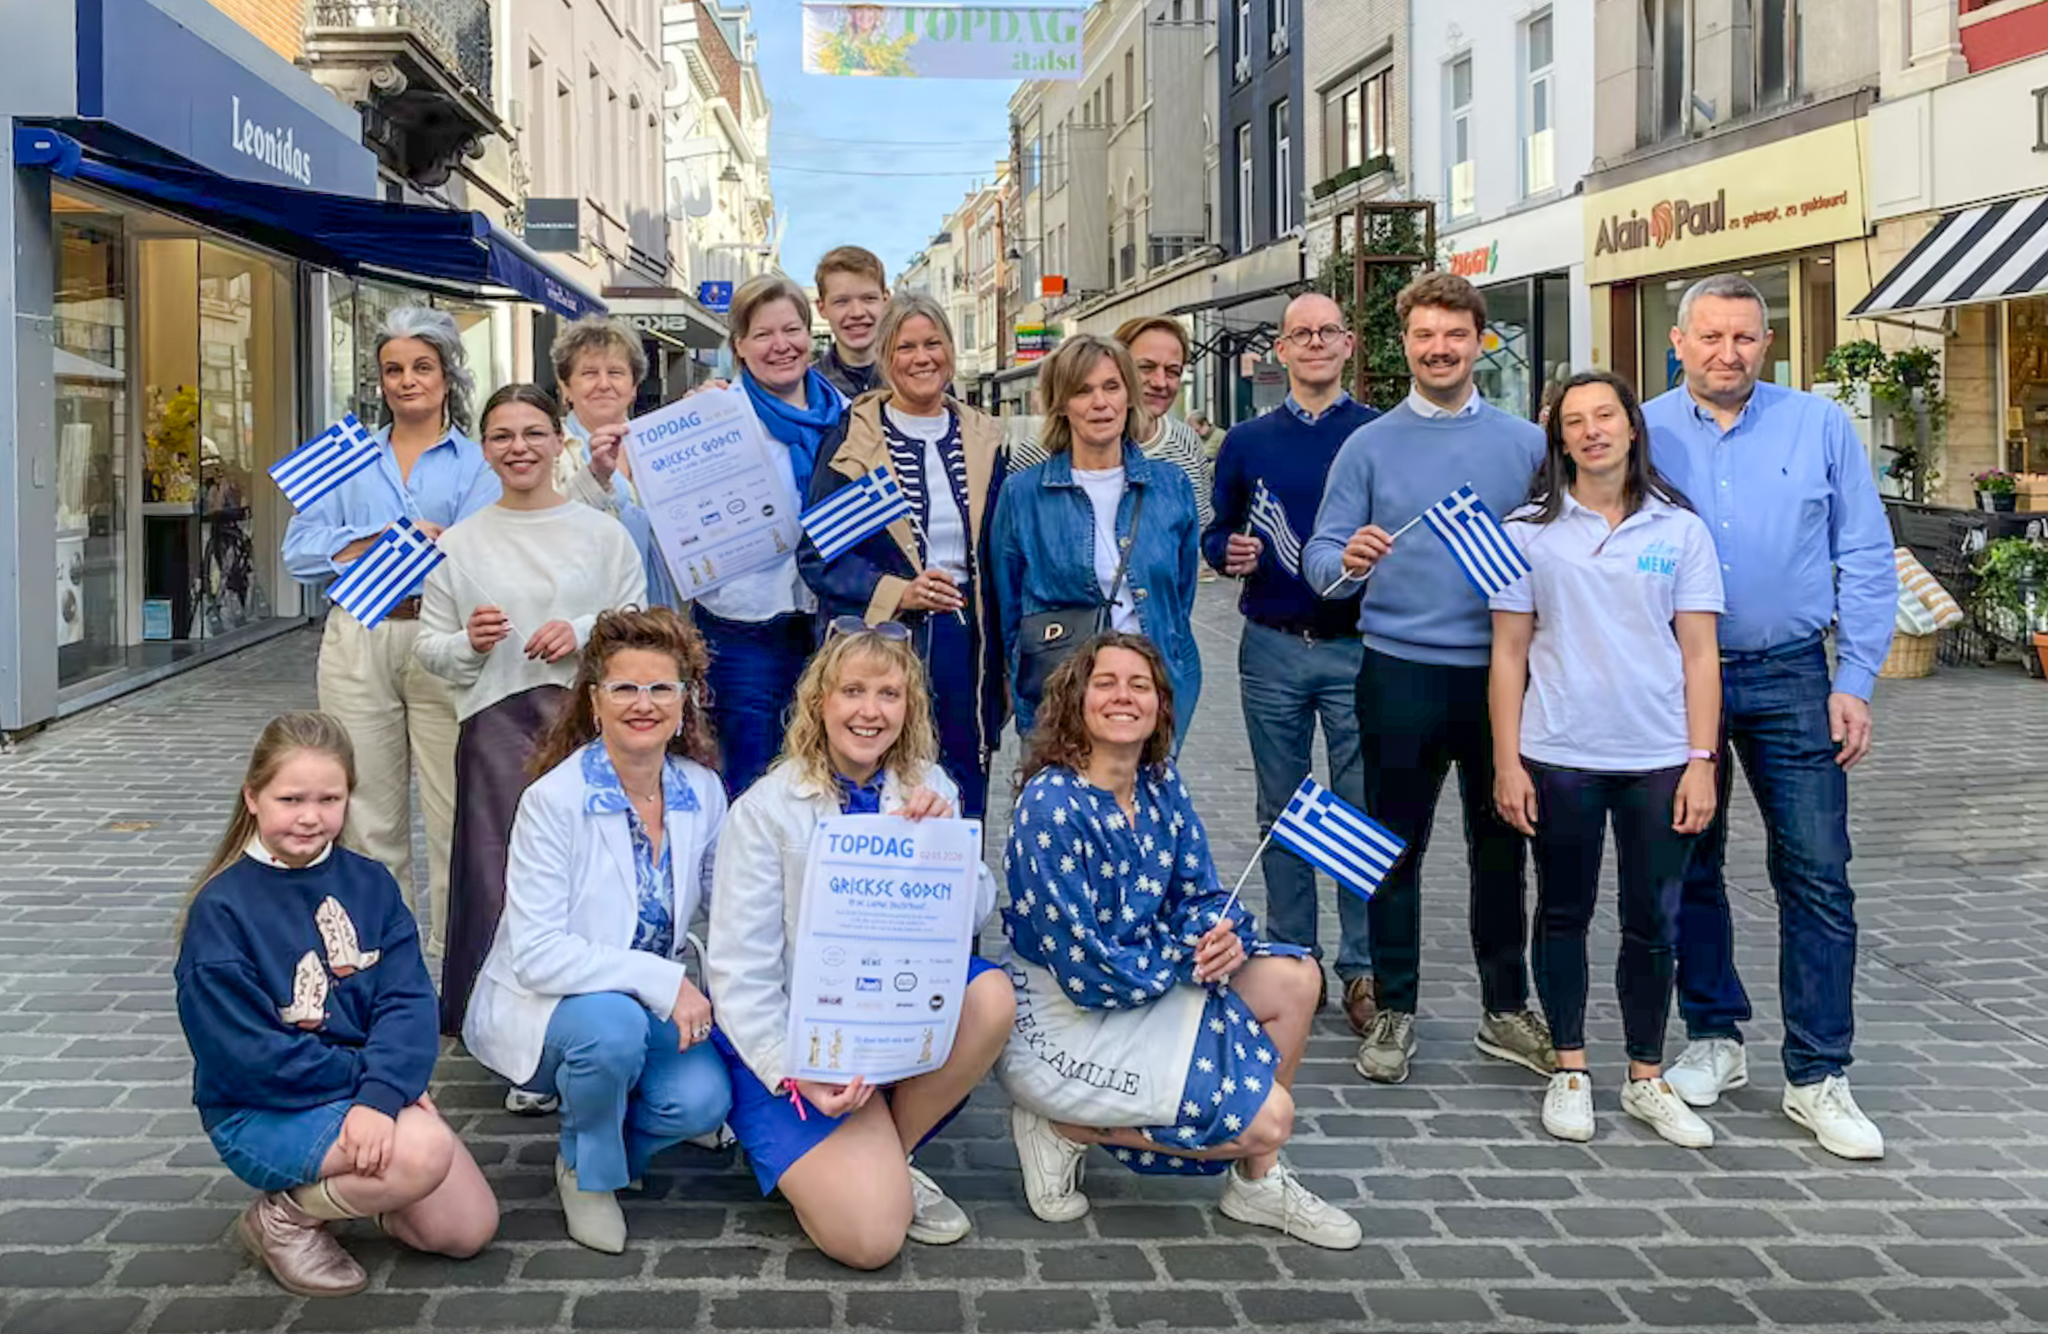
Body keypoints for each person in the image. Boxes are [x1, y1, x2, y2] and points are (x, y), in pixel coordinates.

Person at [995, 634, 1360, 1249]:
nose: (1123, 696)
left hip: (1152, 978)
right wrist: (1191, 954)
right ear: (1076, 700)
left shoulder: (1161, 783)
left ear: (1161, 706)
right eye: (1105, 683)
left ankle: (1257, 1183)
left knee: (1298, 978)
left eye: (1139, 685)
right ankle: (1065, 1127)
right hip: (1069, 1014)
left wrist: (1226, 937)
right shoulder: (1051, 804)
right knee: (1271, 1118)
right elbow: (1090, 971)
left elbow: (1202, 895)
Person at [1643, 274, 1896, 1160]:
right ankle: (1714, 1036)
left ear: (1767, 343)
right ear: (1678, 342)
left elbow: (1865, 551)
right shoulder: (1642, 431)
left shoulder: (1819, 426)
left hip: (1794, 675)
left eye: (1745, 337)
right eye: (1710, 337)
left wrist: (1854, 678)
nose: (1728, 353)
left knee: (1818, 872)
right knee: (1688, 863)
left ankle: (1819, 1073)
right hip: (1677, 681)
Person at [1301, 271, 1552, 1087]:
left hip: (1500, 677)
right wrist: (1347, 557)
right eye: (1424, 336)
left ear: (1481, 341)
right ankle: (1395, 1006)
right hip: (1398, 668)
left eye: (1454, 335)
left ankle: (1505, 1007)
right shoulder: (1369, 445)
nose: (1439, 349)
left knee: (1503, 845)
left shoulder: (1526, 444)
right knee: (1389, 848)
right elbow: (1319, 558)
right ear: (1403, 344)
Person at [705, 624, 1013, 1269]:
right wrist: (794, 1070)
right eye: (852, 691)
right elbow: (739, 970)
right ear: (820, 701)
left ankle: (892, 1152)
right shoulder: (765, 809)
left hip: (886, 1021)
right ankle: (859, 1162)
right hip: (797, 1037)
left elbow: (974, 914)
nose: (870, 711)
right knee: (869, 1241)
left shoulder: (930, 785)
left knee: (990, 995)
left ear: (909, 708)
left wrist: (945, 849)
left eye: (889, 694)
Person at [174, 713, 498, 1298]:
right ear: (252, 798)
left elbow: (407, 1003)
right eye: (290, 798)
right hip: (263, 1106)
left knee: (464, 1229)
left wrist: (380, 1093)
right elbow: (246, 1056)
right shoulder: (221, 912)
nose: (310, 816)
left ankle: (362, 1185)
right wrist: (377, 1092)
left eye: (329, 799)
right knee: (424, 1151)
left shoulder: (370, 883)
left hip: (359, 1089)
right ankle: (286, 1218)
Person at [1489, 371, 1725, 1147]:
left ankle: (1646, 1075)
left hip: (1658, 754)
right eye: (1575, 421)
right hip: (1559, 751)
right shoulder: (1524, 532)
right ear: (1558, 439)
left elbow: (1700, 654)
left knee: (1652, 920)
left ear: (1632, 426)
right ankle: (1569, 1068)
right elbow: (1508, 653)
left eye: (1605, 416)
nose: (1592, 431)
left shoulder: (1680, 530)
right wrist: (1507, 762)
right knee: (1563, 911)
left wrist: (1701, 760)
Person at [463, 609, 734, 1253]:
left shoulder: (702, 790)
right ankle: (587, 1170)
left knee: (701, 1103)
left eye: (661, 688)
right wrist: (665, 981)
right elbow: (537, 955)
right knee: (610, 1029)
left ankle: (615, 1131)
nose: (643, 704)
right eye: (624, 688)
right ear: (594, 700)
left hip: (651, 1002)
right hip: (560, 1005)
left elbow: (730, 908)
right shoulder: (553, 801)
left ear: (686, 700)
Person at [415, 384, 647, 1041]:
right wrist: (470, 642)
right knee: (498, 872)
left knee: (590, 870)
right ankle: (500, 1024)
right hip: (495, 727)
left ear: (558, 441)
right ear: (485, 450)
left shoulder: (602, 534)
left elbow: (637, 620)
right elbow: (430, 647)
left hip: (589, 723)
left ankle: (593, 1011)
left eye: (533, 433)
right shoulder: (460, 544)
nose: (518, 448)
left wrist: (581, 631)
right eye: (502, 437)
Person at [281, 307, 498, 957]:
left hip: (443, 634)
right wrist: (377, 539)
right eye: (393, 369)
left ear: (448, 375)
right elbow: (298, 552)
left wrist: (439, 545)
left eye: (422, 367)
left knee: (455, 807)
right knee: (366, 812)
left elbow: (483, 554)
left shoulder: (479, 461)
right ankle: (386, 961)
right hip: (360, 632)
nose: (407, 381)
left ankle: (458, 959)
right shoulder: (342, 455)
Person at [1203, 293, 1381, 1030]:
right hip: (1273, 644)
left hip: (1357, 645)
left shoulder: (1375, 433)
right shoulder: (1247, 441)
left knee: (1358, 810)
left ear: (1348, 344)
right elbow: (1217, 531)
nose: (1314, 343)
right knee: (1282, 808)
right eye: (1300, 333)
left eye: (1327, 331)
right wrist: (1228, 551)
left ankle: (1363, 965)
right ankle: (1293, 955)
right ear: (1280, 350)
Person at [799, 294, 1007, 819]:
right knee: (883, 773)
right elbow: (820, 557)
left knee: (961, 777)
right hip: (883, 637)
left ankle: (959, 869)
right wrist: (899, 592)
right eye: (906, 347)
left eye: (932, 343)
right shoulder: (854, 440)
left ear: (950, 350)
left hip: (967, 638)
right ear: (886, 357)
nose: (921, 358)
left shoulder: (985, 437)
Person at [991, 334, 1202, 739]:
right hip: (1059, 699)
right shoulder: (1023, 494)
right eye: (1082, 391)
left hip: (1148, 697)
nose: (1100, 403)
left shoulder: (1171, 486)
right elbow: (1008, 608)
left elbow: (1179, 597)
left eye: (1111, 387)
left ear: (1129, 396)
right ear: (1061, 404)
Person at [697, 274, 846, 798]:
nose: (780, 345)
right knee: (751, 778)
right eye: (762, 334)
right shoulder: (714, 418)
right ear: (738, 346)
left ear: (810, 333)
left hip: (831, 625)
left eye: (791, 330)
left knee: (829, 774)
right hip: (745, 629)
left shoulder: (848, 416)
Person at [1006, 318, 1215, 537]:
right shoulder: (1039, 454)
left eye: (1173, 371)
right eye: (1146, 368)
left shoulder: (1186, 442)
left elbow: (1200, 536)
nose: (1160, 382)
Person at [547, 315, 679, 607]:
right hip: (587, 615)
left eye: (616, 372)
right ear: (566, 387)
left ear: (634, 387)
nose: (604, 384)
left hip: (663, 613)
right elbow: (544, 530)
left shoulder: (662, 446)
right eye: (589, 373)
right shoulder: (548, 450)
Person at [815, 246, 891, 399]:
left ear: (886, 301)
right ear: (822, 308)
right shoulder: (808, 388)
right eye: (842, 301)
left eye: (869, 298)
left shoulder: (914, 378)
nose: (857, 313)